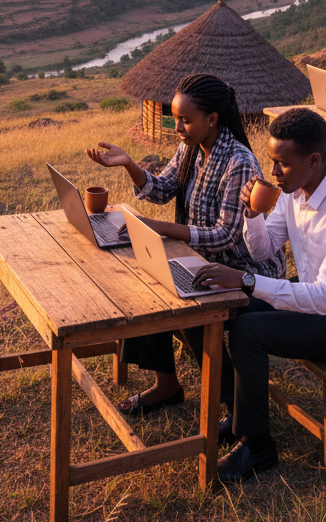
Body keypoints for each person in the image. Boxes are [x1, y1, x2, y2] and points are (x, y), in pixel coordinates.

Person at [190, 107, 326, 482]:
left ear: (314, 160)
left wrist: (246, 281)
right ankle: (240, 410)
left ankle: (258, 446)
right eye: (272, 161)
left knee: (250, 332)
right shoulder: (295, 193)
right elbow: (263, 251)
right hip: (316, 304)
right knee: (225, 308)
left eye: (282, 164)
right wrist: (252, 215)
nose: (273, 172)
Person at [87, 73, 285, 416]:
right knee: (146, 281)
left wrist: (156, 228)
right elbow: (162, 190)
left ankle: (230, 403)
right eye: (175, 118)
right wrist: (129, 164)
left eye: (185, 120)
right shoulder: (190, 149)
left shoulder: (239, 162)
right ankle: (167, 385)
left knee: (192, 309)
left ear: (212, 119)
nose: (178, 126)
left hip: (242, 270)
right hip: (200, 257)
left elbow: (226, 234)